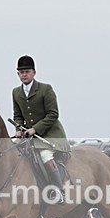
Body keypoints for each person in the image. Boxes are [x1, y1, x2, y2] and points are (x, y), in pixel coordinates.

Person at [11, 55, 71, 204]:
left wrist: (35, 129)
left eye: (27, 71)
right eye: (21, 72)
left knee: (45, 156)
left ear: (34, 73)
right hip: (29, 136)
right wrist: (18, 128)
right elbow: (17, 115)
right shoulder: (16, 92)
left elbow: (53, 114)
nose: (24, 74)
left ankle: (59, 191)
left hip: (51, 135)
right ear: (18, 74)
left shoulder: (45, 89)